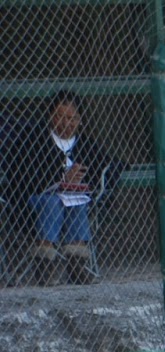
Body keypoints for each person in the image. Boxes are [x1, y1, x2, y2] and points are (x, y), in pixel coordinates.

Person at [2, 91, 122, 284]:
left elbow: (109, 167)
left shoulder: (86, 144)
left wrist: (83, 181)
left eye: (72, 118)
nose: (66, 123)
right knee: (53, 203)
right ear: (50, 116)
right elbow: (21, 174)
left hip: (72, 200)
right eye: (60, 117)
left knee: (78, 203)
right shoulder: (34, 140)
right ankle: (45, 266)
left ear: (80, 120)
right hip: (34, 201)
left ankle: (77, 265)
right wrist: (60, 177)